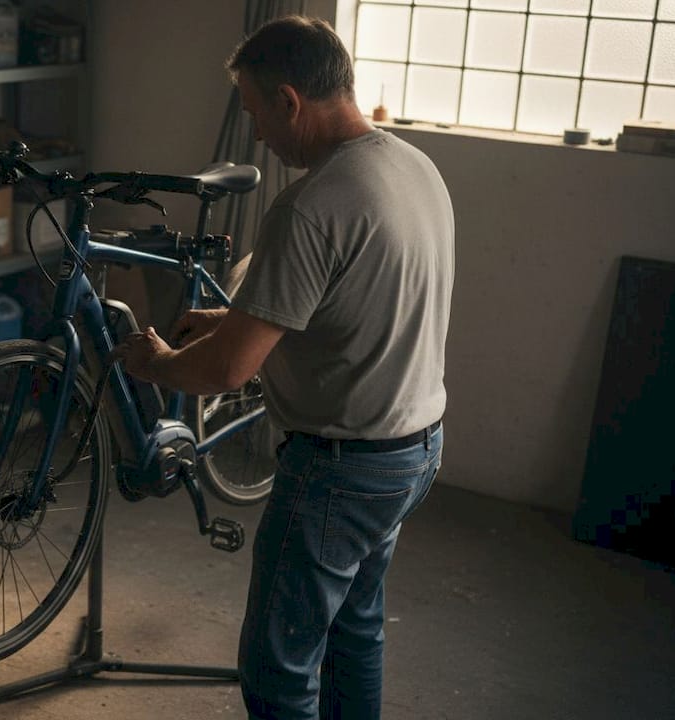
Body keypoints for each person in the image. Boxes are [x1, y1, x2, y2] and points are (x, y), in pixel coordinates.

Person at [114, 15, 454, 720]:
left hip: (342, 470)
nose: (259, 134)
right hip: (414, 448)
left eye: (257, 112)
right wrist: (232, 320)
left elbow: (228, 373)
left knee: (277, 667)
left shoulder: (309, 206)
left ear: (290, 101)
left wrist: (160, 363)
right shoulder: (412, 167)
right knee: (353, 632)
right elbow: (351, 306)